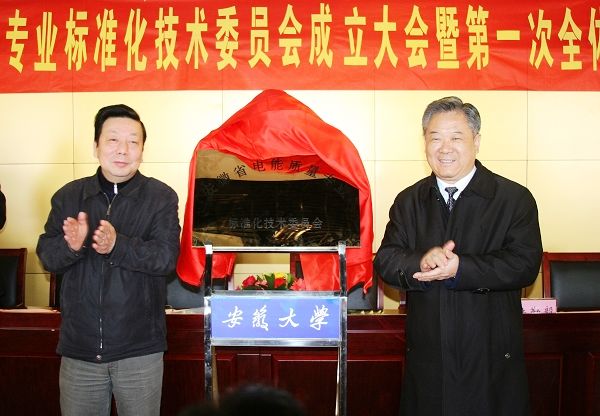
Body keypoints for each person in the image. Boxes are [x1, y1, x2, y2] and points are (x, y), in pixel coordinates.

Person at [374, 96, 542, 416]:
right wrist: (420, 262)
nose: (445, 148)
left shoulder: (513, 199)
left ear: (476, 141)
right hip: (428, 356)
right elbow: (386, 260)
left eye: (456, 137)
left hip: (490, 354)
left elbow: (524, 264)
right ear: (424, 142)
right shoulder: (409, 201)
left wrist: (461, 268)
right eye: (435, 138)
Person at [37, 104, 181, 416]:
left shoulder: (161, 197)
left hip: (139, 350)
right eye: (113, 139)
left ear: (142, 150)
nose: (123, 150)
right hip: (80, 349)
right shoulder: (69, 196)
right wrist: (71, 247)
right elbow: (48, 257)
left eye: (133, 141)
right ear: (96, 146)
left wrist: (118, 245)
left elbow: (166, 258)